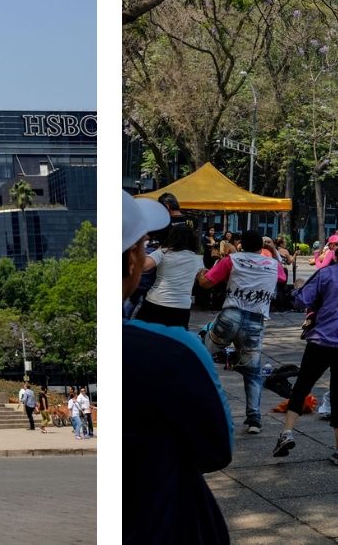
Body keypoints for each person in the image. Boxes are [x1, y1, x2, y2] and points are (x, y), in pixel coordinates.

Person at [124, 191, 231, 542]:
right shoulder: (182, 351)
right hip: (179, 313)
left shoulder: (162, 255)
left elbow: (152, 268)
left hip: (155, 305)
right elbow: (218, 448)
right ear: (129, 263)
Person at [272, 232, 338, 467]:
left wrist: (299, 287)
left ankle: (287, 432)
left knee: (302, 386)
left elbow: (301, 301)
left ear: (337, 253)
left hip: (321, 340)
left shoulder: (326, 274)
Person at [198, 227, 280, 434]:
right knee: (253, 373)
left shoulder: (232, 260)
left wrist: (200, 272)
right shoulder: (273, 264)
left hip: (230, 317)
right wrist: (273, 249)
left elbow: (206, 283)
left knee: (201, 359)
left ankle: (195, 406)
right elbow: (281, 276)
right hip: (255, 322)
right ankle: (254, 420)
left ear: (241, 243)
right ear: (262, 246)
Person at [135, 218, 202, 329]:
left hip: (155, 303)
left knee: (145, 339)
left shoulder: (162, 253)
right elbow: (204, 280)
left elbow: (143, 266)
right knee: (173, 343)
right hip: (181, 308)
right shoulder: (197, 259)